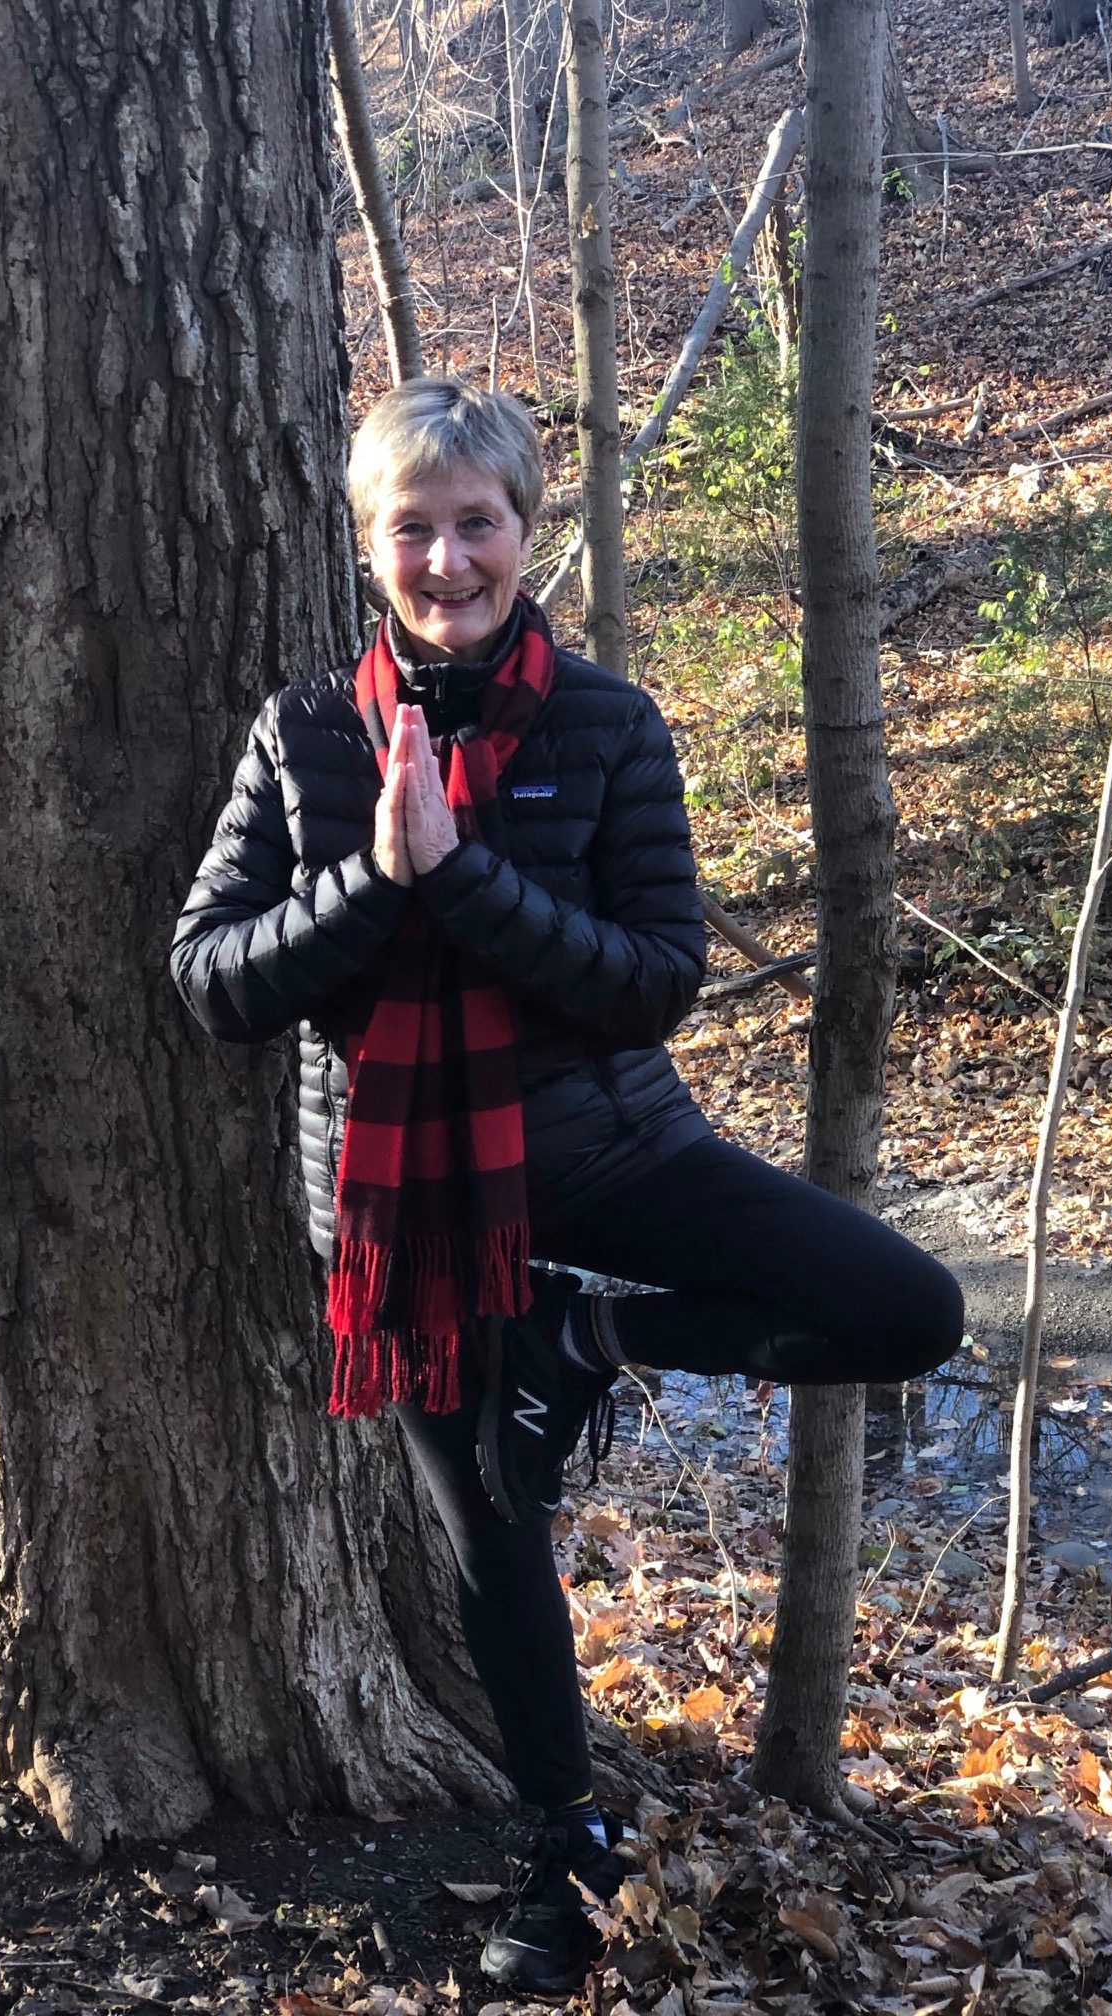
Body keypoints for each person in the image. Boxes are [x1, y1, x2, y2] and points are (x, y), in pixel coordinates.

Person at [170, 378, 964, 1996]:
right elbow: (213, 983)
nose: (447, 560)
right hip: (410, 1212)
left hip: (612, 1153)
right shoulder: (306, 734)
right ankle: (564, 1841)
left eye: (479, 524)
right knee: (498, 1536)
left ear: (530, 533)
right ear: (369, 539)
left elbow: (655, 982)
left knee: (908, 1306)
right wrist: (373, 883)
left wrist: (467, 881)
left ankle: (583, 1347)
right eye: (416, 528)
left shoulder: (606, 725)